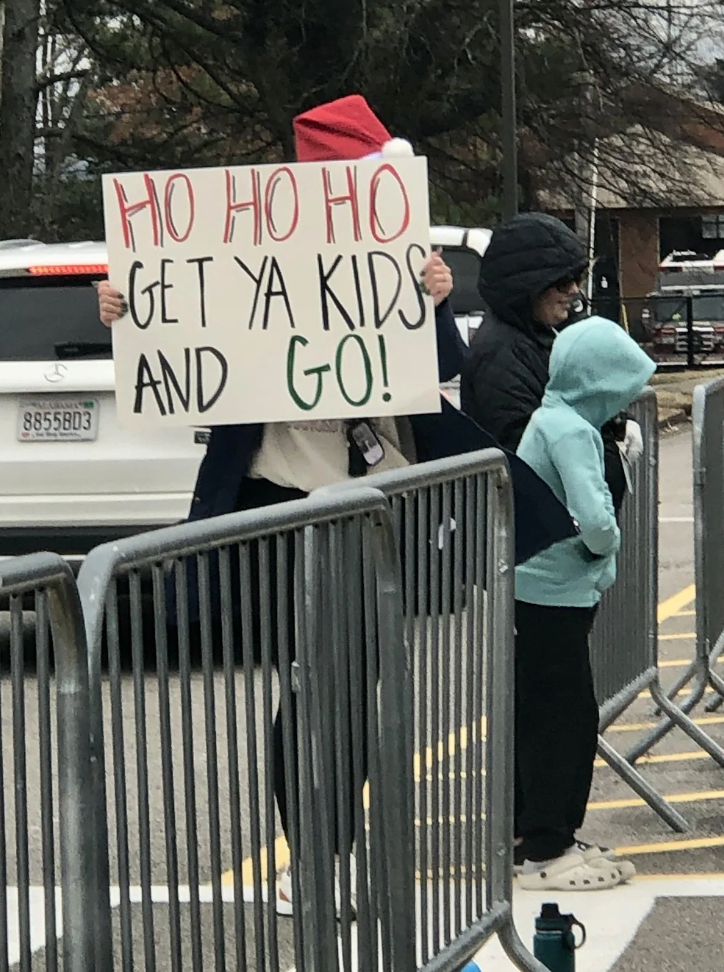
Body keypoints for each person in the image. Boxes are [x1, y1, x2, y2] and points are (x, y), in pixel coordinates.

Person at [98, 95, 576, 914]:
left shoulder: (403, 262)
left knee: (349, 687)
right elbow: (190, 348)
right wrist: (129, 311)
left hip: (371, 510)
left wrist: (427, 298)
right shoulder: (256, 257)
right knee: (311, 685)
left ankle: (331, 850)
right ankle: (315, 857)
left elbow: (440, 367)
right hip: (280, 510)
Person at [513, 316, 655, 891]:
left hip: (535, 590)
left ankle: (536, 837)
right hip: (556, 592)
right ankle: (549, 848)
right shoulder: (571, 430)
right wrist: (610, 544)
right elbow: (595, 518)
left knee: (544, 711)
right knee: (565, 721)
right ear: (599, 383)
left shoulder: (551, 416)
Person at [460, 213, 643, 516]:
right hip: (540, 537)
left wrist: (617, 422)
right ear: (529, 286)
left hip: (560, 530)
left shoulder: (540, 335)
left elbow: (582, 397)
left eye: (577, 278)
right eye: (561, 282)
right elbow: (531, 456)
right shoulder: (501, 353)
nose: (573, 290)